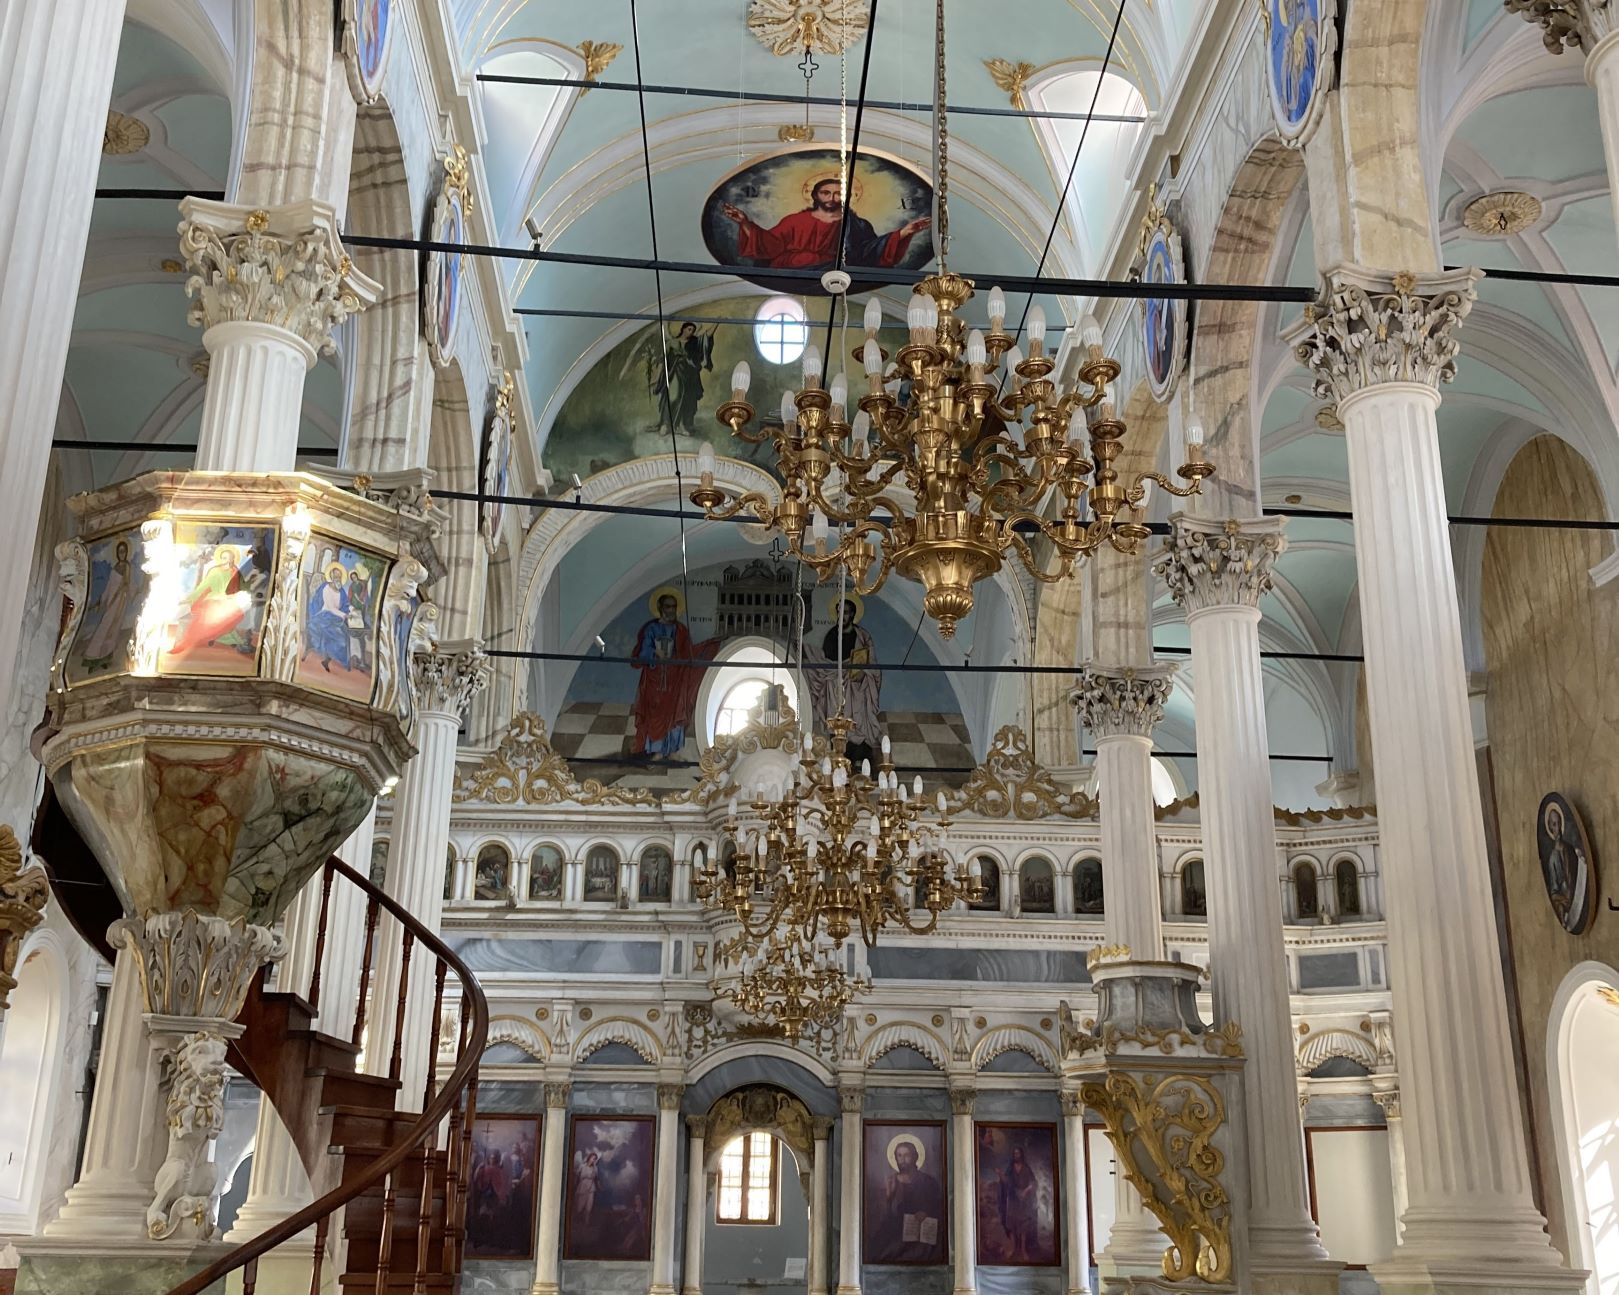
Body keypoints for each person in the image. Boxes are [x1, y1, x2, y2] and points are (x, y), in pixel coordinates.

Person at [721, 177, 930, 272]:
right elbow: (770, 244)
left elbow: (869, 252)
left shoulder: (856, 225)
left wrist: (904, 232)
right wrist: (745, 223)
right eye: (826, 192)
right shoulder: (795, 221)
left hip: (832, 272)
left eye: (839, 193)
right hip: (792, 269)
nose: (833, 197)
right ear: (815, 195)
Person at [629, 591, 719, 759]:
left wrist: (709, 645)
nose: (671, 610)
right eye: (668, 606)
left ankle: (670, 750)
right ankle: (655, 749)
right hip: (654, 680)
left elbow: (688, 653)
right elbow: (642, 653)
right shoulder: (652, 629)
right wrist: (656, 653)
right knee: (654, 712)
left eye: (674, 607)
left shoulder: (681, 630)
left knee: (674, 711)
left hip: (674, 680)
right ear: (660, 608)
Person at [804, 598, 883, 769]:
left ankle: (861, 758)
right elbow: (826, 662)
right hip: (835, 685)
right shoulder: (832, 635)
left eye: (845, 612)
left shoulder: (863, 636)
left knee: (858, 720)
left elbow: (872, 662)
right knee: (836, 719)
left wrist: (863, 673)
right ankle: (839, 755)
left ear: (853, 614)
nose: (842, 615)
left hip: (857, 686)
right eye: (839, 612)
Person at [168, 544, 256, 657]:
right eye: (224, 558)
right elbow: (202, 587)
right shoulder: (214, 571)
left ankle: (226, 638)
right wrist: (189, 598)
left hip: (228, 600)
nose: (226, 560)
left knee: (235, 614)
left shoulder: (235, 571)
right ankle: (220, 638)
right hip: (213, 599)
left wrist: (251, 583)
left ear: (233, 559)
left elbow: (242, 586)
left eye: (229, 558)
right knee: (217, 614)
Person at [872, 1137, 944, 1263]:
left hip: (923, 1236)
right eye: (899, 1155)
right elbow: (883, 1218)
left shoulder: (929, 1182)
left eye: (906, 1155)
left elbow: (940, 1208)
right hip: (896, 1234)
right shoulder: (890, 1182)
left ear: (915, 1157)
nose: (902, 1160)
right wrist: (888, 1197)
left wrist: (926, 1214)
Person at [80, 539, 137, 672]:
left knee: (112, 629)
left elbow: (125, 583)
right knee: (104, 627)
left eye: (124, 551)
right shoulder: (115, 566)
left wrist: (116, 597)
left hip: (119, 601)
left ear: (126, 552)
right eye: (120, 551)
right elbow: (109, 586)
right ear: (117, 553)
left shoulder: (126, 566)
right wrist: (101, 600)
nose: (122, 554)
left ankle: (104, 657)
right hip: (112, 600)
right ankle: (93, 657)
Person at [996, 1144, 1040, 1263]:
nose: (1016, 1155)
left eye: (1018, 1153)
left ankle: (1023, 1249)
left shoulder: (1026, 1168)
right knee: (1013, 1225)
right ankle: (1014, 1249)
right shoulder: (1010, 1169)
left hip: (1024, 1201)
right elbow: (1006, 1182)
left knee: (1023, 1226)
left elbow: (1033, 1182)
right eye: (1014, 1153)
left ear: (1021, 1154)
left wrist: (1026, 1191)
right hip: (1013, 1200)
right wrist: (1000, 1175)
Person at [305, 564, 352, 672]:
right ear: (331, 576)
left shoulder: (342, 591)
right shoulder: (326, 588)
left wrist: (351, 610)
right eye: (336, 576)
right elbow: (331, 608)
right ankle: (327, 659)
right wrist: (344, 615)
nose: (338, 579)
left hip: (336, 618)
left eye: (339, 577)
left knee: (344, 634)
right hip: (323, 616)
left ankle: (328, 659)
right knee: (337, 636)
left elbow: (345, 604)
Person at [346, 568, 372, 671]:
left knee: (361, 619)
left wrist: (362, 600)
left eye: (354, 576)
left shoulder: (361, 584)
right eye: (352, 578)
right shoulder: (352, 586)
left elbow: (364, 592)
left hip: (361, 605)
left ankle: (361, 660)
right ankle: (354, 657)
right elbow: (350, 595)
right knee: (355, 619)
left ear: (357, 576)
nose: (354, 578)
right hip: (354, 604)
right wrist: (351, 603)